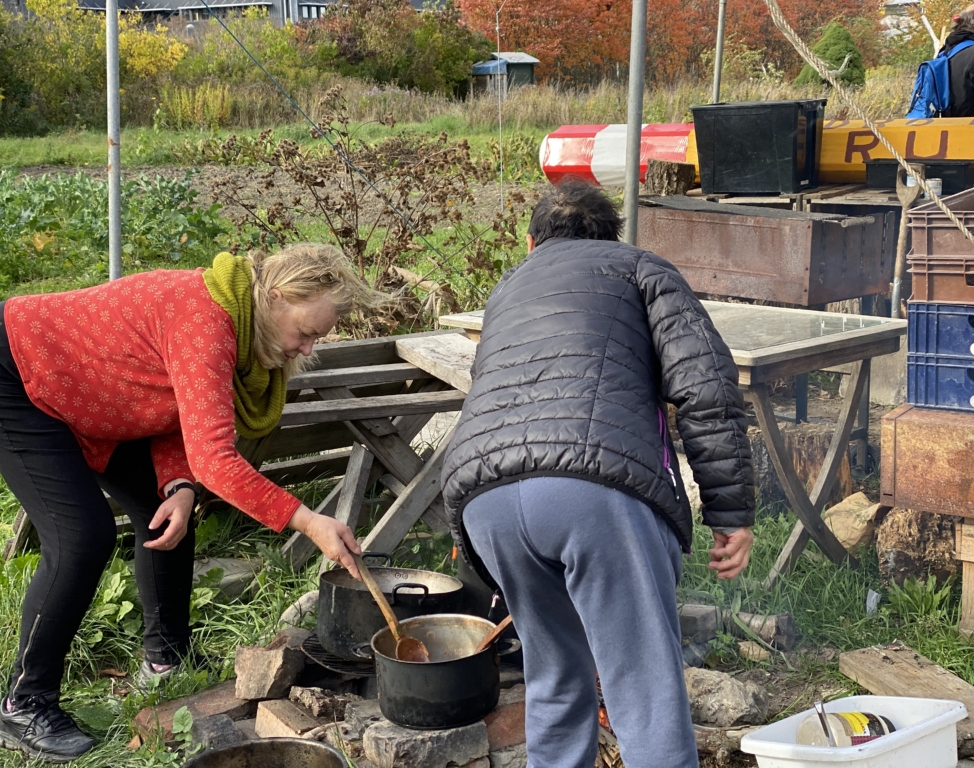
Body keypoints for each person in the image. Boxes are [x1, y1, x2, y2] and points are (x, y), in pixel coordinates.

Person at [0, 243, 371, 763]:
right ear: (278, 296)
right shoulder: (209, 320)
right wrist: (308, 521)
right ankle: (24, 700)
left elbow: (170, 405)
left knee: (167, 500)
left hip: (85, 390)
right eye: (306, 333)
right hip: (19, 373)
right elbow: (216, 460)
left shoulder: (235, 317)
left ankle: (166, 657)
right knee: (82, 535)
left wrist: (180, 484)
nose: (307, 349)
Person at [442, 181, 756, 768]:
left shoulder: (507, 288)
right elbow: (705, 389)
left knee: (555, 678)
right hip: (591, 493)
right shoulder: (641, 269)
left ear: (531, 242)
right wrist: (730, 513)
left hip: (483, 501)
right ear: (613, 236)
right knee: (643, 685)